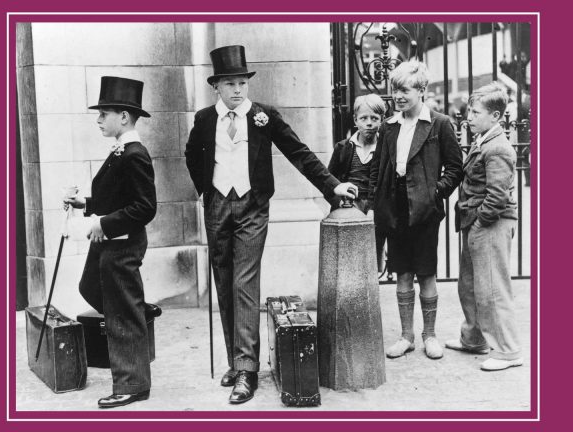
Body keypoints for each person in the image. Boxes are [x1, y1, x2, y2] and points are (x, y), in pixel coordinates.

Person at [184, 45, 357, 404]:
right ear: (216, 86)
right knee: (224, 282)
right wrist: (206, 190)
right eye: (229, 83)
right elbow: (191, 155)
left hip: (252, 207)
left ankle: (246, 370)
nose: (237, 90)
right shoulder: (204, 119)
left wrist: (333, 185)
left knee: (244, 282)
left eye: (242, 83)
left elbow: (299, 152)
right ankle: (236, 360)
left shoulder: (263, 116)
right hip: (217, 206)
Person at [63, 76, 157, 408]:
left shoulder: (134, 154)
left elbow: (145, 207)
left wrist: (102, 223)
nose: (99, 120)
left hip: (122, 245)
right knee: (90, 287)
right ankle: (139, 311)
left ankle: (133, 384)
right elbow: (117, 197)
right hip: (110, 242)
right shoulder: (120, 151)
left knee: (120, 312)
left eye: (104, 114)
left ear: (124, 117)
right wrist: (86, 205)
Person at [370, 60, 463, 360]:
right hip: (394, 207)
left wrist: (435, 192)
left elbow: (455, 168)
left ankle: (430, 335)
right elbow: (378, 168)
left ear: (421, 90)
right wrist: (376, 203)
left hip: (424, 210)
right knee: (402, 272)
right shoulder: (388, 126)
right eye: (395, 89)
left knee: (426, 273)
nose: (398, 96)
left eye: (405, 90)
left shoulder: (439, 124)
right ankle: (406, 336)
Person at [445, 82, 522, 371]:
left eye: (476, 112)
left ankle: (508, 351)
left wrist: (480, 223)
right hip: (478, 222)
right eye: (469, 111)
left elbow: (498, 196)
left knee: (492, 288)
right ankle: (474, 338)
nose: (469, 117)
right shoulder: (484, 140)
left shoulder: (498, 147)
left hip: (491, 223)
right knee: (470, 284)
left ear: (495, 116)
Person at [327, 93, 386, 272]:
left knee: (371, 262)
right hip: (348, 208)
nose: (369, 123)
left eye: (374, 118)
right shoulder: (343, 148)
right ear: (355, 120)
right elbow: (329, 183)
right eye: (363, 118)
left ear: (382, 120)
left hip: (375, 211)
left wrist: (375, 208)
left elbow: (387, 183)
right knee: (348, 261)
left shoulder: (385, 148)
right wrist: (340, 204)